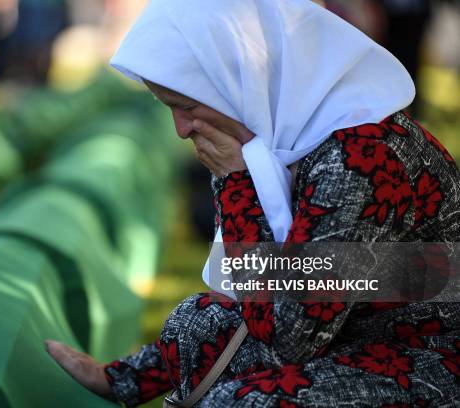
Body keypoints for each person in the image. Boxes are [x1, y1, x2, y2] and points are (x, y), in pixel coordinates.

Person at [45, 0, 460, 406]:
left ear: (238, 79)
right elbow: (255, 296)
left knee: (240, 403)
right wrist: (127, 378)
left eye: (186, 106)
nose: (181, 129)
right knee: (197, 323)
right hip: (356, 328)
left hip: (432, 353)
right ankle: (141, 388)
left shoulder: (360, 158)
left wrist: (237, 184)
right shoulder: (287, 137)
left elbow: (290, 336)